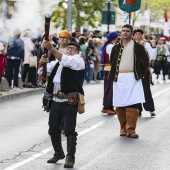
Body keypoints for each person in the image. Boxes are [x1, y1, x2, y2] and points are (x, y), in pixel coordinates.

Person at [40, 40, 85, 168]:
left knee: (69, 129)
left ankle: (70, 157)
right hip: (55, 100)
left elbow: (66, 60)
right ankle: (58, 152)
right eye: (67, 48)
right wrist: (42, 63)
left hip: (70, 99)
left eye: (72, 49)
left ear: (77, 52)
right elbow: (43, 74)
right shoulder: (58, 63)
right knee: (53, 128)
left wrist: (52, 49)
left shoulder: (78, 61)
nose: (69, 50)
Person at [108, 24, 149, 138]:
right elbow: (112, 62)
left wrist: (140, 74)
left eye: (127, 31)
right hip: (119, 77)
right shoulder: (116, 47)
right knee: (120, 103)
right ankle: (123, 128)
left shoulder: (138, 47)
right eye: (123, 31)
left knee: (133, 102)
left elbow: (145, 62)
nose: (125, 32)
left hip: (133, 77)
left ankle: (131, 129)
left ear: (131, 33)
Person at [133, 29, 156, 117]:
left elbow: (153, 56)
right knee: (136, 90)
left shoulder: (146, 44)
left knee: (146, 89)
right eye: (136, 34)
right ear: (133, 35)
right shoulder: (131, 44)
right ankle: (138, 109)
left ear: (142, 35)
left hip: (144, 70)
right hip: (134, 70)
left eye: (139, 34)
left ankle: (151, 109)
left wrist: (153, 47)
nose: (138, 35)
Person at [100, 31, 118, 115]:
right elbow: (113, 58)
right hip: (110, 69)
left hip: (109, 68)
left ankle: (109, 106)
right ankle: (107, 107)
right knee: (109, 89)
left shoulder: (109, 45)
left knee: (110, 88)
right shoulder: (110, 46)